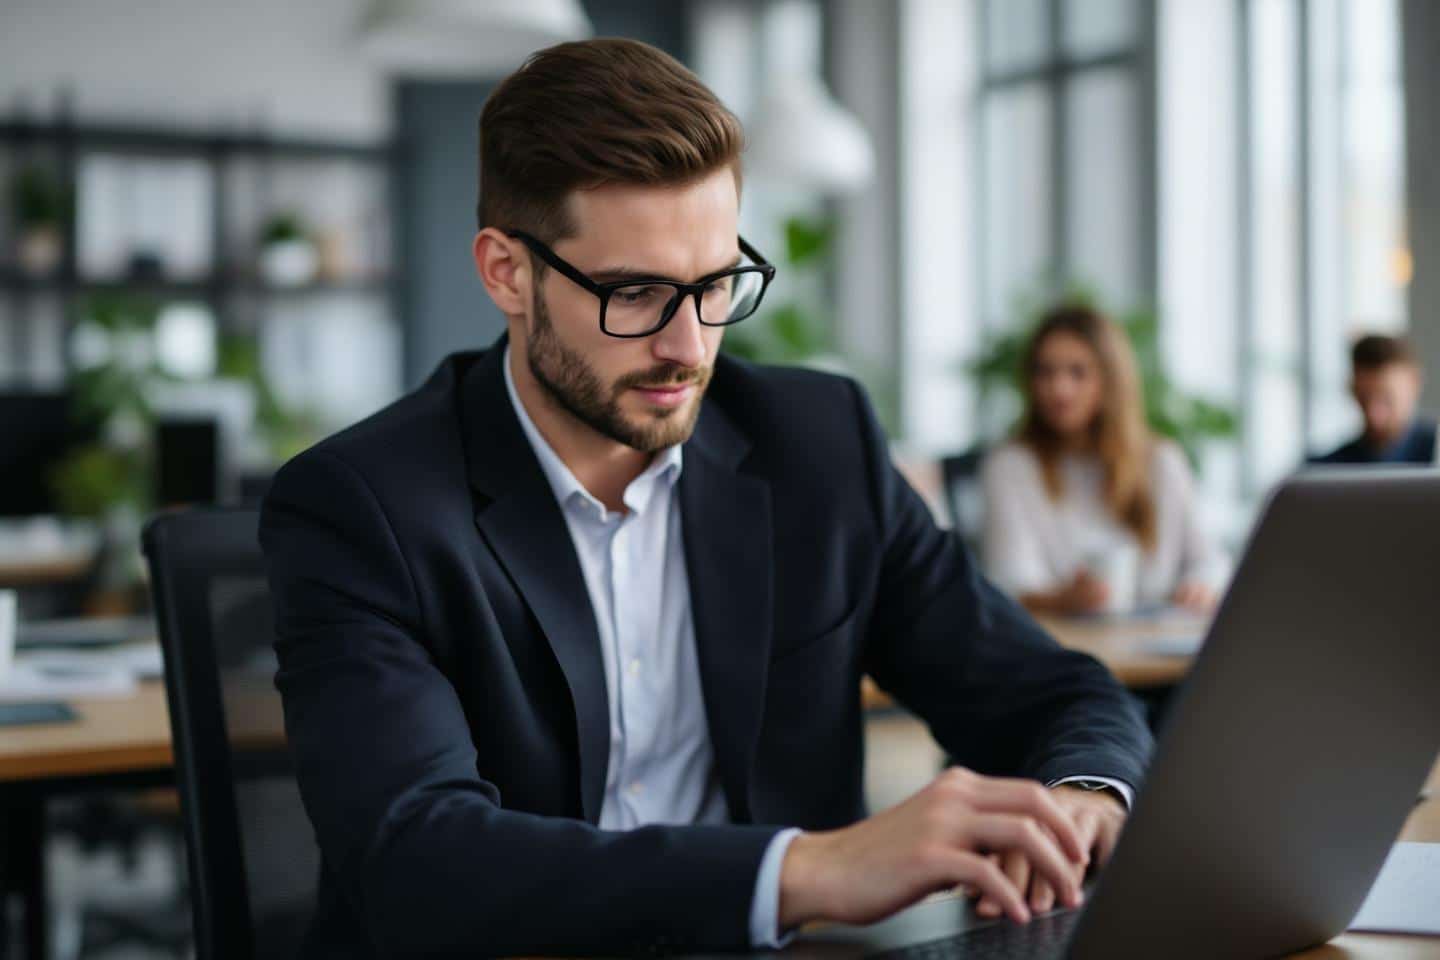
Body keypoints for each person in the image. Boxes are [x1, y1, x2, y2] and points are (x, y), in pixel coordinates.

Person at [259, 39, 1152, 958]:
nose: (689, 345)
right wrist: (808, 871)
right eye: (636, 293)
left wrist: (1083, 798)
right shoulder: (362, 506)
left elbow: (1054, 695)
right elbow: (419, 862)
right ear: (507, 274)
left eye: (717, 282)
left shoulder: (819, 445)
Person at [981, 305, 1226, 617]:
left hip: (1153, 647)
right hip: (1060, 649)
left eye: (1077, 372)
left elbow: (1210, 561)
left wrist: (1199, 586)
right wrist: (1061, 600)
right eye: (1045, 372)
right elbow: (1008, 584)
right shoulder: (1010, 466)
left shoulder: (1161, 461)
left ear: (1111, 380)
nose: (1059, 389)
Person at [1311, 334, 1437, 465]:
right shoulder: (1324, 469)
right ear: (1352, 389)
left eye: (1387, 400)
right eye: (1364, 399)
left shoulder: (1435, 453)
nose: (1374, 416)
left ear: (1415, 384)